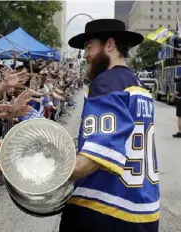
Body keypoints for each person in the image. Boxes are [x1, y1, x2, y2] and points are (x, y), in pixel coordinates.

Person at [61, 19, 159, 232]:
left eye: (89, 47)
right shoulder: (139, 86)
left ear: (110, 45)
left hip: (106, 210)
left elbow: (93, 159)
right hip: (145, 210)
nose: (85, 55)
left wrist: (43, 170)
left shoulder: (106, 83)